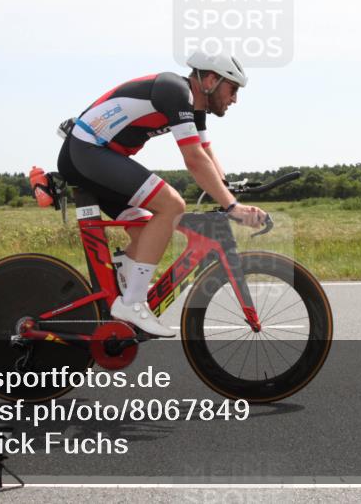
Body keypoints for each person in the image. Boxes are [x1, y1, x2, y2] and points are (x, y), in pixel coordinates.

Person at [56, 51, 267, 337]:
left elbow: (205, 152)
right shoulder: (175, 92)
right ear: (211, 80)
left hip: (96, 156)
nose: (234, 99)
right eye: (233, 89)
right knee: (171, 206)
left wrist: (226, 187)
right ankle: (132, 303)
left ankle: (116, 297)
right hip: (88, 150)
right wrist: (232, 207)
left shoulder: (194, 107)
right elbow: (193, 159)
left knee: (148, 232)